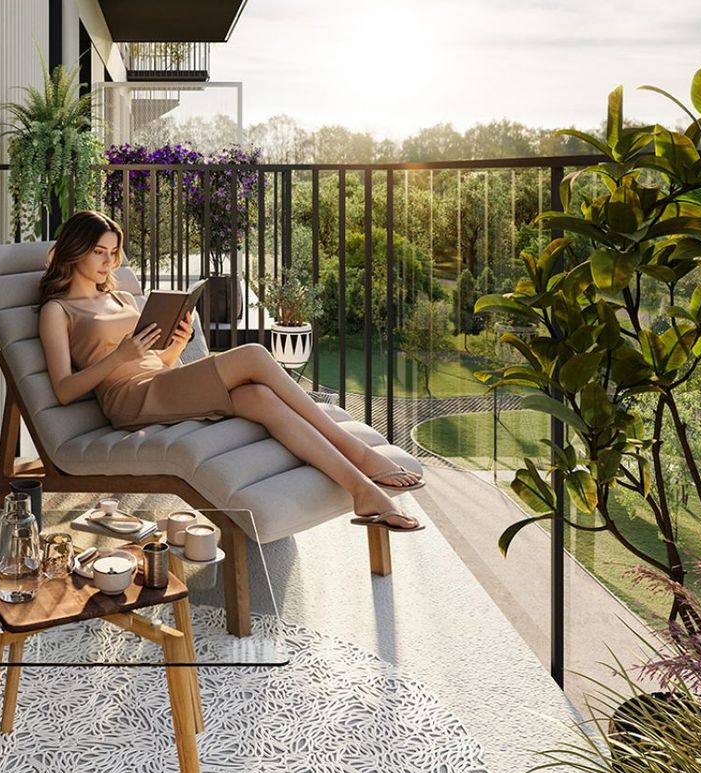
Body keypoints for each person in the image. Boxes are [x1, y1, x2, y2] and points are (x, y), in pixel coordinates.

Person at [36, 209, 425, 532]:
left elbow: (159, 362)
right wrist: (119, 357)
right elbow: (64, 390)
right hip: (129, 401)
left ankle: (361, 490)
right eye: (99, 252)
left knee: (259, 397)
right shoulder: (58, 310)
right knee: (253, 354)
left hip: (161, 384)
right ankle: (358, 452)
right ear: (76, 251)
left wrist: (176, 346)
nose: (109, 262)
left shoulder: (120, 296)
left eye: (113, 252)